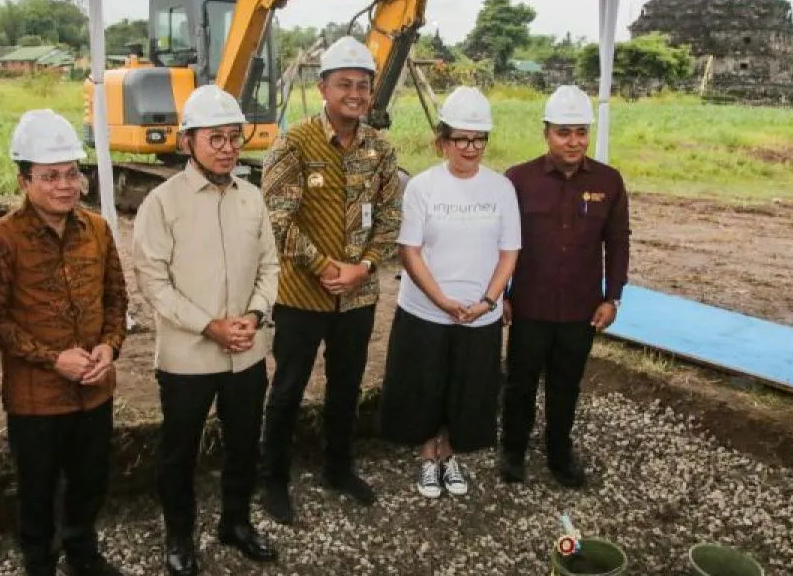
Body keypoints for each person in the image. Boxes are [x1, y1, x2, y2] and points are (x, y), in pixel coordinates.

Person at [0, 110, 129, 576]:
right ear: (24, 181)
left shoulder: (98, 230)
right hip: (36, 398)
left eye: (71, 174)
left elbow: (115, 298)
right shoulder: (1, 239)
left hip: (95, 389)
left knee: (90, 480)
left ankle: (82, 553)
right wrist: (51, 358)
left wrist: (109, 347)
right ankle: (39, 573)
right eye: (50, 176)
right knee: (37, 489)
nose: (65, 186)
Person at [132, 85, 281, 576]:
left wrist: (254, 315)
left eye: (234, 137)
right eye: (215, 138)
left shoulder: (252, 199)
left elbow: (270, 267)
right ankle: (179, 536)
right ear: (187, 142)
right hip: (187, 357)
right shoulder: (162, 203)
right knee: (180, 452)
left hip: (246, 351)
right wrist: (208, 326)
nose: (227, 148)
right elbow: (153, 282)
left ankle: (236, 523)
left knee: (244, 443)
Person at [258, 35, 403, 524]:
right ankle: (273, 481)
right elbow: (277, 218)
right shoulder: (294, 143)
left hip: (358, 295)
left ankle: (338, 469)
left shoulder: (380, 149)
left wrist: (364, 267)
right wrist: (323, 266)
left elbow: (390, 216)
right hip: (302, 294)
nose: (355, 94)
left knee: (346, 385)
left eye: (363, 85)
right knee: (288, 388)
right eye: (345, 84)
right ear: (323, 87)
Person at [379, 87, 520, 498]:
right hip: (426, 310)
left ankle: (451, 452)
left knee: (467, 386)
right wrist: (441, 300)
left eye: (478, 139)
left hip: (480, 313)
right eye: (461, 139)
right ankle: (428, 455)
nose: (470, 148)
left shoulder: (501, 189)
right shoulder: (423, 187)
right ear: (442, 141)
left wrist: (489, 301)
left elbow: (509, 251)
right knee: (426, 384)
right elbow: (409, 250)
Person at [500, 84, 631, 488]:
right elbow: (500, 241)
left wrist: (613, 298)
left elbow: (618, 242)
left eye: (580, 132)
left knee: (566, 384)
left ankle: (559, 452)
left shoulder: (609, 181)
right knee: (520, 381)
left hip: (580, 308)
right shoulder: (518, 179)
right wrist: (501, 295)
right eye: (563, 132)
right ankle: (513, 451)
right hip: (530, 305)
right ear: (546, 133)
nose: (573, 142)